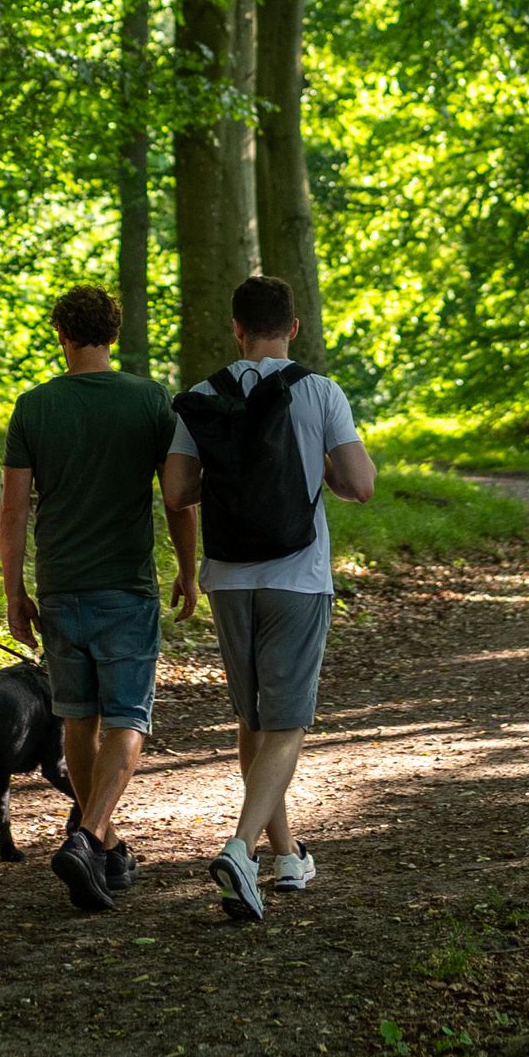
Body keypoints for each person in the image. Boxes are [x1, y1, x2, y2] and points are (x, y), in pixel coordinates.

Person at [162, 272, 376, 922]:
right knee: (287, 725)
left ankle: (286, 855)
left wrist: (229, 478)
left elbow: (176, 491)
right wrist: (323, 471)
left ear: (235, 327)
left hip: (227, 577)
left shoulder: (203, 396)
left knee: (253, 720)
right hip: (297, 577)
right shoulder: (319, 391)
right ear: (294, 326)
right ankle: (238, 846)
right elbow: (360, 484)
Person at [0, 281, 194, 915]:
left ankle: (101, 841)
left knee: (78, 721)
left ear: (61, 335)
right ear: (114, 334)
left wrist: (14, 592)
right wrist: (189, 570)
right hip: (126, 587)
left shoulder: (34, 407)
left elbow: (11, 513)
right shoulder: (150, 401)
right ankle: (90, 836)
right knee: (129, 719)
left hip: (60, 587)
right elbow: (177, 496)